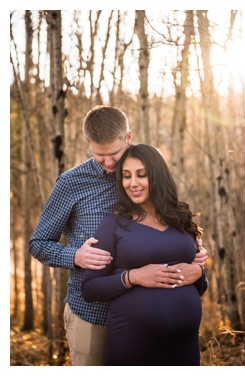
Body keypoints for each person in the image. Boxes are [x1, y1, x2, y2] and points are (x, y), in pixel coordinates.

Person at [29, 105, 207, 365]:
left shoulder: (144, 172)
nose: (109, 163)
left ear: (128, 137)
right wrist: (75, 256)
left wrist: (194, 252)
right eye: (100, 155)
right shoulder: (71, 183)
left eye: (114, 153)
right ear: (88, 144)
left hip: (148, 328)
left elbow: (169, 225)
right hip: (91, 314)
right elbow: (38, 244)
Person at [82, 144, 207, 365]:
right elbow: (90, 288)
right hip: (133, 346)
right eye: (126, 176)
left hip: (184, 348)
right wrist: (134, 277)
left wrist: (199, 272)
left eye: (142, 175)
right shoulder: (113, 225)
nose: (133, 183)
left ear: (157, 175)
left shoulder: (180, 219)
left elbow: (199, 286)